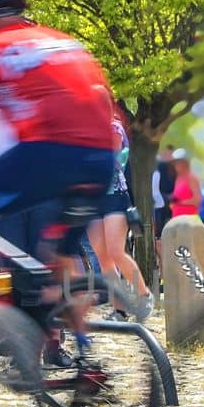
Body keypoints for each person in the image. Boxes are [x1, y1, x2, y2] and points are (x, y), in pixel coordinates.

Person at [0, 0, 116, 345]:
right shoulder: (64, 42)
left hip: (49, 153)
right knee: (59, 261)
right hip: (101, 158)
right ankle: (86, 354)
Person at [87, 113, 153, 321]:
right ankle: (120, 309)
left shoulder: (113, 127)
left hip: (115, 196)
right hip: (92, 198)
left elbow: (108, 156)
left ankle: (144, 295)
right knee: (103, 257)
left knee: (116, 251)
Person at [169, 150, 201, 217]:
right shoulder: (178, 178)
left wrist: (179, 203)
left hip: (189, 219)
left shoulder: (192, 178)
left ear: (185, 162)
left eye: (178, 162)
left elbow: (197, 200)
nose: (175, 165)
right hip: (177, 219)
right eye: (174, 163)